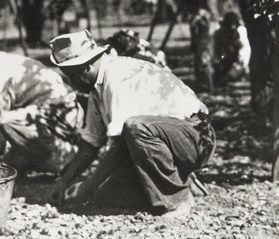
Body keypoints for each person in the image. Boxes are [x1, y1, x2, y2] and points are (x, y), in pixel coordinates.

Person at [46, 30, 215, 217]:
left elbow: (122, 142)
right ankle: (181, 179)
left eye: (71, 74)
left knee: (134, 127)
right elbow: (91, 143)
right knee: (104, 195)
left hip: (195, 136)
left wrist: (87, 186)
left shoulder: (117, 76)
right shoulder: (96, 88)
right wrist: (65, 180)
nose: (71, 81)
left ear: (85, 66)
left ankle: (177, 200)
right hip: (167, 139)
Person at [0, 26, 84, 174]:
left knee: (5, 124)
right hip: (57, 114)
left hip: (60, 113)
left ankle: (64, 161)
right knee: (11, 165)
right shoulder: (2, 62)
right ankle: (56, 154)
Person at [212, 11, 250, 86]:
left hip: (239, 64)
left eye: (233, 26)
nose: (231, 29)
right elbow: (215, 51)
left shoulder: (241, 33)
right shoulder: (219, 33)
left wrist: (231, 75)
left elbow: (244, 56)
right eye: (228, 25)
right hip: (226, 60)